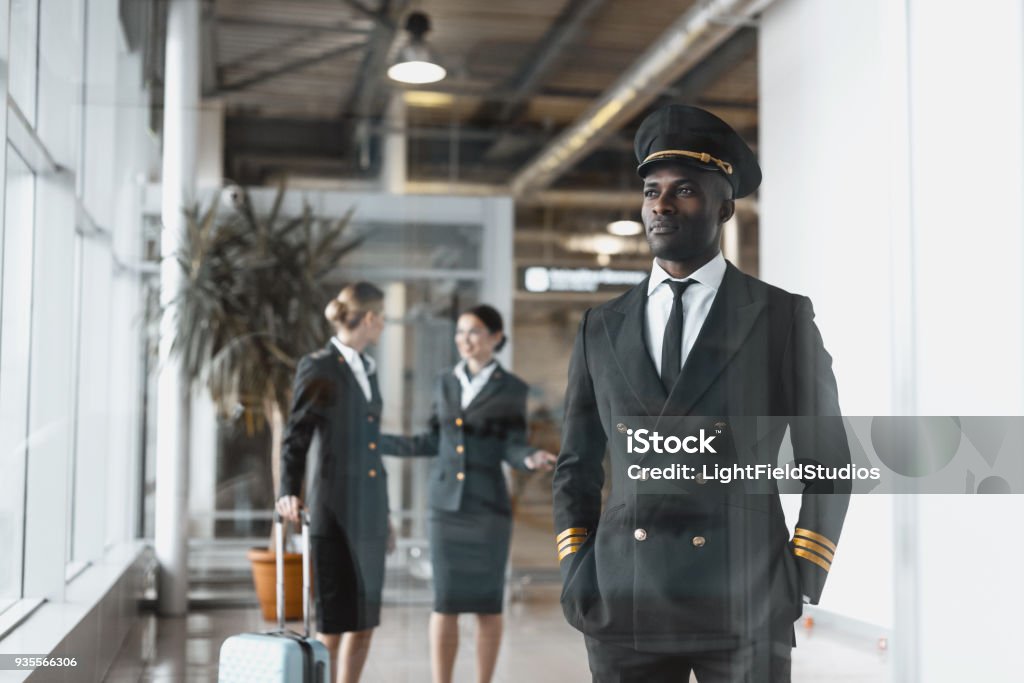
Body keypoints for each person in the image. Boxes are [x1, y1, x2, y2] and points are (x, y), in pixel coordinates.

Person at [552, 105, 851, 682]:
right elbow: (576, 464)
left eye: (684, 190)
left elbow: (829, 458)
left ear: (724, 206)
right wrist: (576, 567)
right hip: (624, 596)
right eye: (651, 190)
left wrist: (801, 573)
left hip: (745, 598)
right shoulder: (601, 325)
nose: (661, 205)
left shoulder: (781, 317)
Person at [382, 305, 557, 683]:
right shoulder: (445, 381)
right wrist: (379, 443)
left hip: (488, 510)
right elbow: (433, 439)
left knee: (487, 607)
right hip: (445, 509)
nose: (465, 339)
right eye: (461, 332)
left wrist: (530, 458)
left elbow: (512, 445)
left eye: (475, 331)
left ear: (496, 336)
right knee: (444, 603)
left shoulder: (512, 389)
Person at [276, 282, 391, 683]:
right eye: (384, 318)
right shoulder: (320, 365)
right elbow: (296, 434)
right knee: (333, 621)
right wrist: (288, 489)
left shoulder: (368, 370)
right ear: (371, 318)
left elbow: (372, 447)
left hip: (371, 513)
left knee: (365, 620)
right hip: (334, 513)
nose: (384, 326)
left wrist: (386, 516)